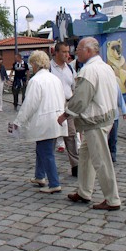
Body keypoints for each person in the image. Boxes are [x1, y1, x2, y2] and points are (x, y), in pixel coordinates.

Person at [57, 37, 121, 211]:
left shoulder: (89, 70)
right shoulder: (106, 67)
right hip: (104, 117)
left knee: (101, 161)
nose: (75, 52)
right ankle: (84, 191)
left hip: (95, 120)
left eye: (78, 49)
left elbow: (80, 99)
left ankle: (112, 199)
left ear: (88, 51)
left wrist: (66, 114)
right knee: (85, 156)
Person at [11, 50, 67, 194]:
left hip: (44, 121)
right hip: (56, 119)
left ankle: (54, 183)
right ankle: (39, 176)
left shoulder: (36, 81)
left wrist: (19, 121)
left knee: (46, 152)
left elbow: (30, 104)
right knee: (42, 150)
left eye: (32, 64)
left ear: (35, 64)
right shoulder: (55, 79)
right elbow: (62, 98)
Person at [49, 41, 79, 177]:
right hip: (53, 105)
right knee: (52, 136)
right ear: (56, 52)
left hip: (68, 104)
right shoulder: (49, 68)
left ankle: (76, 165)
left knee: (71, 136)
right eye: (64, 52)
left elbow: (74, 87)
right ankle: (49, 166)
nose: (67, 54)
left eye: (68, 52)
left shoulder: (70, 69)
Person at [108, 86, 126, 162]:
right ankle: (106, 153)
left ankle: (113, 153)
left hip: (114, 115)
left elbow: (120, 98)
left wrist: (125, 112)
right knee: (104, 137)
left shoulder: (115, 84)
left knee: (113, 137)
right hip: (103, 115)